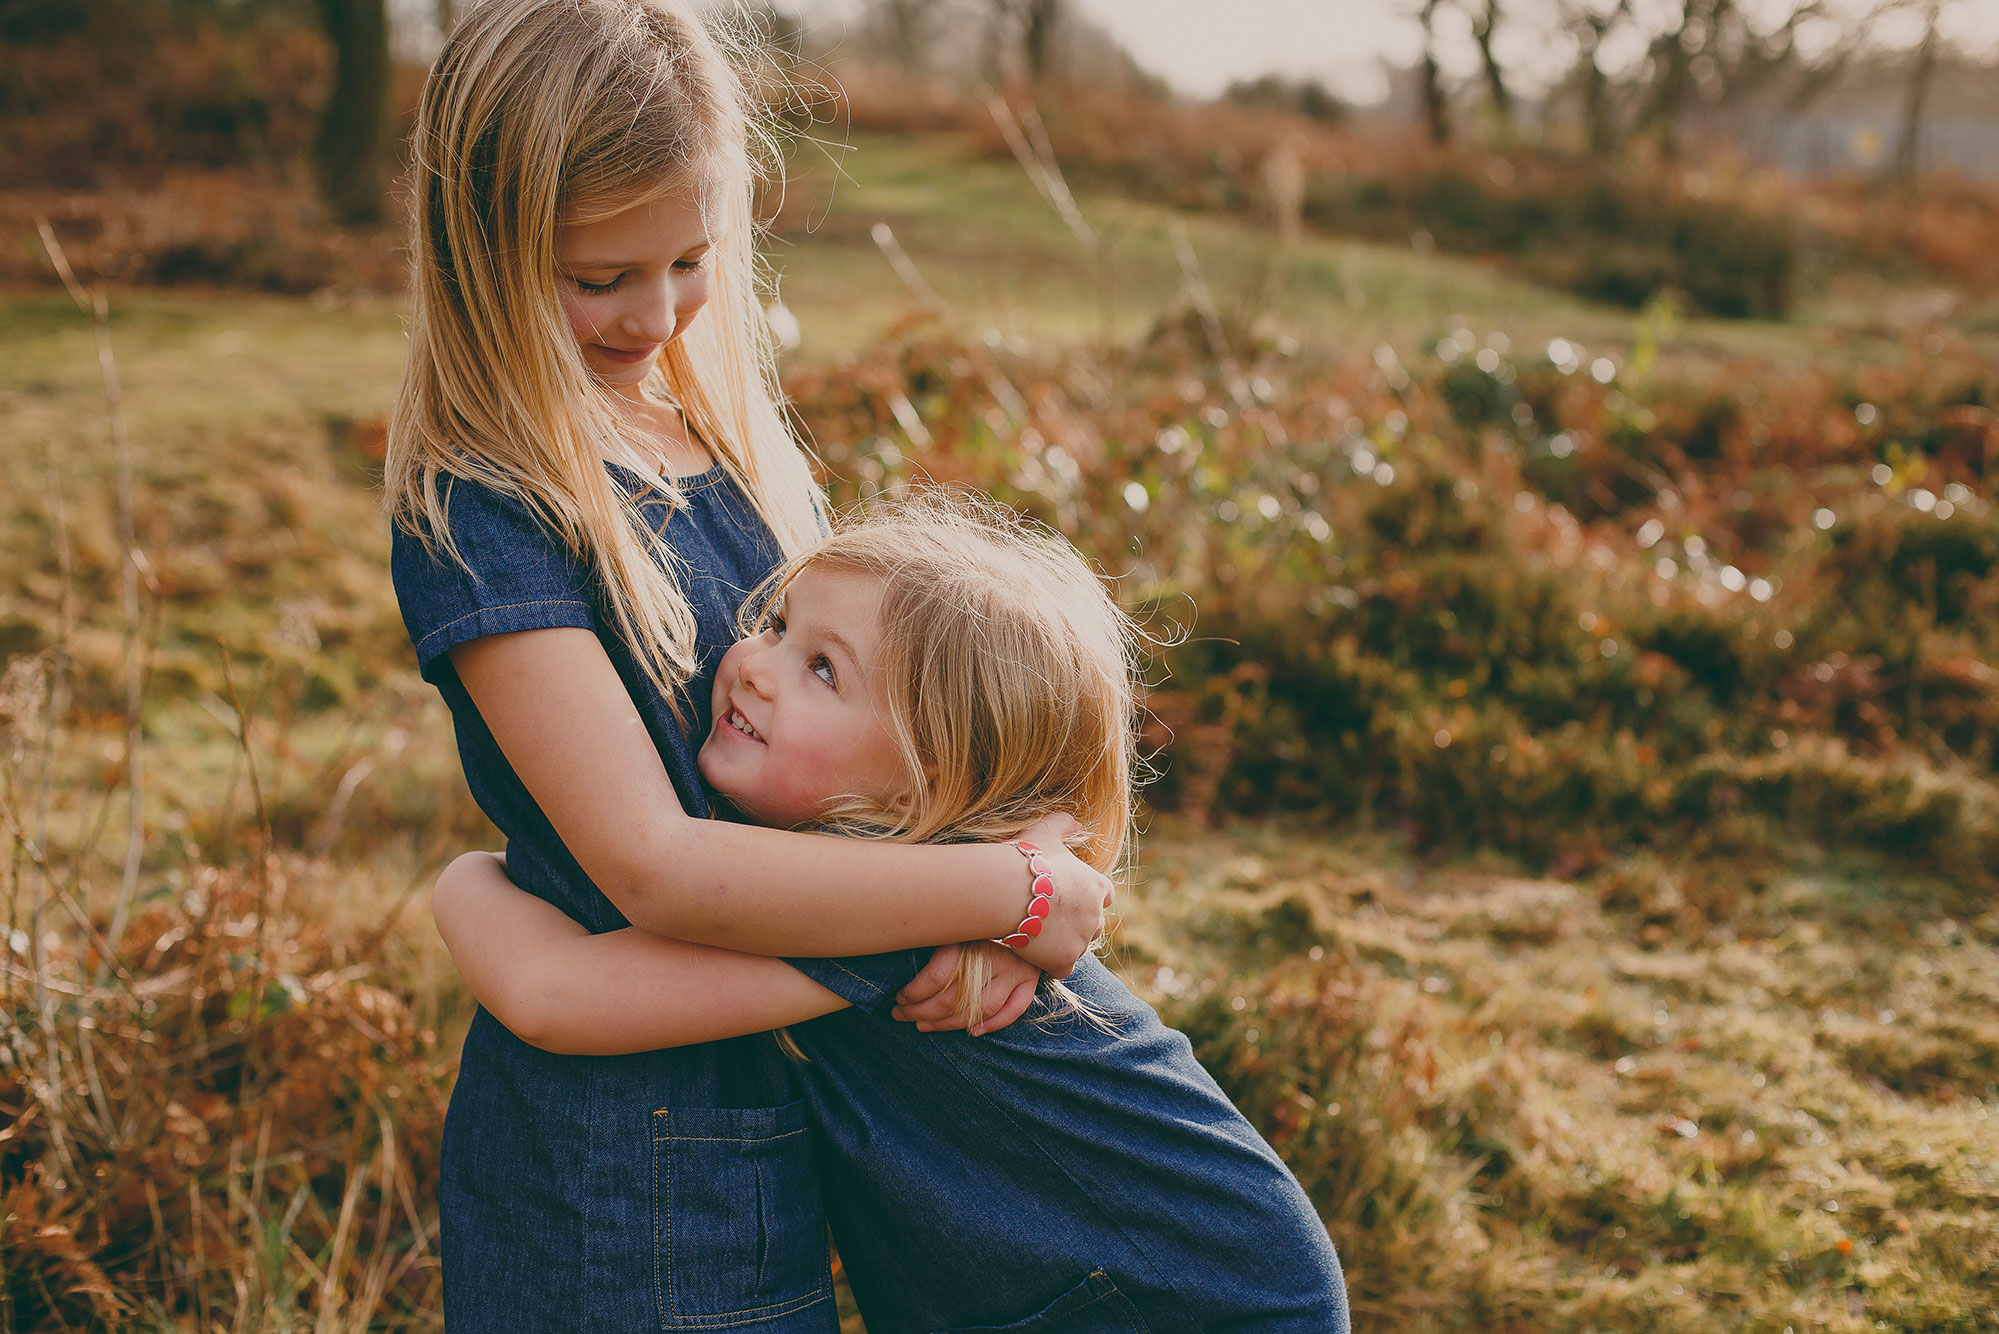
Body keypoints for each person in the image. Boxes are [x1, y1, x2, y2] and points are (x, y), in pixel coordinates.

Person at [384, 2, 1111, 1329]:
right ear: (479, 251)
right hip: (609, 1171)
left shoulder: (710, 436)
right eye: (597, 275)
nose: (652, 311)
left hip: (762, 1125)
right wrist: (994, 900)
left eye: (688, 257)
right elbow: (653, 864)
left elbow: (897, 735)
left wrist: (1019, 872)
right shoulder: (488, 508)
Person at [432, 496, 1352, 1333]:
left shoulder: (889, 921)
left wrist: (465, 881)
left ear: (925, 784)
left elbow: (554, 994)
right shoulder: (941, 898)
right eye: (777, 626)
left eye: (822, 669)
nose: (751, 668)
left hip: (1198, 1301)